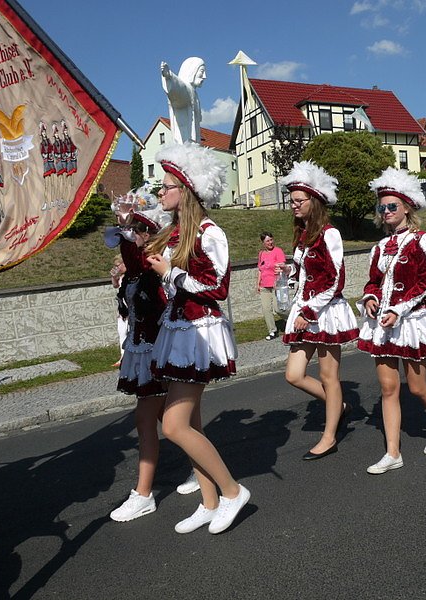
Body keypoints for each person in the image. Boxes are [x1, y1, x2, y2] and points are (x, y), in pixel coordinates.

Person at [145, 142, 250, 534]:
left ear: (185, 190)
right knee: (191, 423)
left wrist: (170, 273)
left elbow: (217, 287)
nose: (160, 192)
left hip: (199, 334)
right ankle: (208, 502)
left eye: (166, 186)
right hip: (179, 329)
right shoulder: (175, 234)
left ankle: (232, 491)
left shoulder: (211, 233)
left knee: (173, 426)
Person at [358, 168, 426, 473]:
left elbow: (424, 282)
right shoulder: (379, 247)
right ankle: (393, 452)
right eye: (381, 207)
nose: (386, 212)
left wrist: (398, 310)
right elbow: (372, 281)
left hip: (410, 322)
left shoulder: (422, 240)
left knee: (416, 387)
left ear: (407, 207)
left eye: (391, 207)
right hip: (383, 326)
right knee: (388, 389)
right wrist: (370, 298)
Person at [278, 161, 359, 460]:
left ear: (315, 201)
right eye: (292, 202)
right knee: (294, 375)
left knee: (329, 377)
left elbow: (336, 279)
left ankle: (329, 436)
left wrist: (309, 312)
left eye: (299, 201)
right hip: (304, 309)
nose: (294, 206)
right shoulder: (302, 235)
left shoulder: (330, 234)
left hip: (324, 312)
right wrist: (291, 272)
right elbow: (304, 270)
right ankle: (339, 406)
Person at [103, 197, 171, 522]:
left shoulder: (155, 261)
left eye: (141, 228)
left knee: (147, 421)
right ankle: (205, 472)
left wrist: (126, 226)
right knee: (175, 423)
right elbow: (129, 259)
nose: (134, 234)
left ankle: (143, 495)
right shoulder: (135, 267)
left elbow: (137, 259)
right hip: (142, 348)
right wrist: (122, 221)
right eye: (134, 228)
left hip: (158, 351)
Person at [160, 58, 206, 144]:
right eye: (202, 71)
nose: (204, 76)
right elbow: (180, 88)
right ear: (192, 71)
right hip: (184, 144)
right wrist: (169, 76)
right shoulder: (188, 90)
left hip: (194, 145)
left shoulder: (194, 94)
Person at [257, 231, 286, 340]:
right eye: (267, 241)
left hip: (276, 285)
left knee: (278, 309)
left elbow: (281, 267)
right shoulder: (261, 254)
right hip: (264, 286)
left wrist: (276, 281)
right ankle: (272, 331)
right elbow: (260, 270)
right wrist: (258, 284)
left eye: (271, 240)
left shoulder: (278, 251)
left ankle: (292, 319)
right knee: (266, 309)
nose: (270, 242)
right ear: (263, 243)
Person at [110, 255, 128, 367]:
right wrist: (114, 277)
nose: (116, 268)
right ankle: (122, 356)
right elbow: (115, 285)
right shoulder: (121, 276)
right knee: (122, 333)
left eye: (118, 265)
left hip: (130, 310)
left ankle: (128, 357)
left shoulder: (130, 275)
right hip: (122, 309)